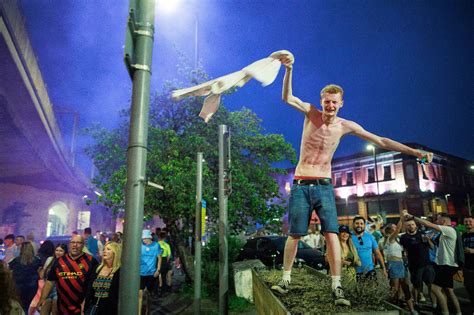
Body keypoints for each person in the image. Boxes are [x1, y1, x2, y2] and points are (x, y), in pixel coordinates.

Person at [271, 53, 432, 306]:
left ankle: (337, 286)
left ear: (341, 103)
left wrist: (415, 152)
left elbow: (381, 141)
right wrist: (289, 69)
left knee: (332, 233)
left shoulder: (346, 126)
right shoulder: (310, 113)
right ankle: (286, 279)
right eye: (326, 101)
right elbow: (287, 97)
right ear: (321, 101)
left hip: (324, 185)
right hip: (302, 183)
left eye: (334, 102)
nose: (330, 106)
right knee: (295, 234)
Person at [402, 211, 461, 315]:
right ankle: (457, 312)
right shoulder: (445, 232)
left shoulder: (449, 229)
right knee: (448, 290)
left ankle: (445, 311)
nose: (436, 221)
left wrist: (412, 216)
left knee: (434, 288)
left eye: (438, 219)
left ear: (443, 221)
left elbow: (428, 224)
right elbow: (433, 243)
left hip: (446, 265)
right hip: (443, 264)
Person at [38, 235, 98, 314]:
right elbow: (50, 282)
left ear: (83, 245)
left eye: (78, 243)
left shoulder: (91, 261)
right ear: (69, 244)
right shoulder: (59, 261)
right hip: (61, 308)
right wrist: (42, 299)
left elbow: (94, 284)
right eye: (73, 242)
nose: (75, 245)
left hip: (81, 309)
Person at [381, 220, 416, 314]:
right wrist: (402, 218)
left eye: (395, 227)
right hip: (394, 264)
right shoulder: (390, 238)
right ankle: (385, 305)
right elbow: (399, 229)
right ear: (390, 230)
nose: (396, 228)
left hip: (401, 264)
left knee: (405, 287)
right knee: (395, 288)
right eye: (394, 227)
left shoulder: (396, 239)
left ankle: (412, 309)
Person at [399, 217, 435, 309]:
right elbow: (403, 251)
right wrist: (405, 262)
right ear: (406, 226)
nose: (411, 226)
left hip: (427, 264)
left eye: (412, 224)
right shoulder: (404, 237)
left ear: (416, 225)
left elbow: (432, 247)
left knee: (431, 285)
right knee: (416, 286)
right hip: (414, 265)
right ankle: (416, 303)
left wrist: (429, 240)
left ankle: (434, 304)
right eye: (408, 225)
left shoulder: (422, 234)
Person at [84, 241, 121, 315]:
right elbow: (89, 289)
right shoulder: (97, 268)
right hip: (94, 307)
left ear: (115, 253)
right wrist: (85, 304)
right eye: (104, 249)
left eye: (108, 249)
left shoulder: (119, 271)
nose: (104, 251)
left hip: (110, 309)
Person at [8, 242, 42, 312]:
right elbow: (40, 274)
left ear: (22, 249)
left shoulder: (16, 260)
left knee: (19, 305)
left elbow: (9, 270)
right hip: (32, 286)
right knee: (27, 305)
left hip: (18, 285)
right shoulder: (37, 260)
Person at [352, 216, 387, 281]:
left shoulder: (370, 237)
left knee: (373, 290)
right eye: (357, 223)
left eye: (361, 224)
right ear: (353, 224)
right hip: (354, 273)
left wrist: (384, 268)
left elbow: (378, 254)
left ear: (364, 225)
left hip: (370, 271)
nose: (359, 225)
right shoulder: (349, 238)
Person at [36, 243, 67, 315]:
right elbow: (42, 275)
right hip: (48, 289)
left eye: (61, 251)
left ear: (65, 252)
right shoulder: (50, 259)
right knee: (43, 311)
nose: (58, 253)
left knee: (55, 311)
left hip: (59, 291)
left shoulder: (67, 262)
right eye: (57, 250)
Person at [139, 230, 162, 311]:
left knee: (149, 294)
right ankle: (139, 312)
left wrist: (158, 270)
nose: (143, 240)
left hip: (151, 273)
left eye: (145, 239)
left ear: (149, 238)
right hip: (141, 273)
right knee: (140, 294)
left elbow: (159, 258)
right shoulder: (140, 246)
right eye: (143, 239)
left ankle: (148, 311)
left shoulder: (156, 245)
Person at [462, 216, 474, 306]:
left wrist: (473, 251)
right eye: (466, 222)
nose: (468, 223)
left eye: (470, 221)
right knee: (469, 288)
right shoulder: (464, 235)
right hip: (467, 267)